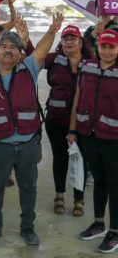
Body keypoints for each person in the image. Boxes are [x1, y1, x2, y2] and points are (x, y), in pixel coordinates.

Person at [0, 14, 64, 246]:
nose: (8, 50)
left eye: (13, 47)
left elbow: (41, 50)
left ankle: (27, 228)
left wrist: (52, 31)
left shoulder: (29, 68)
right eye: (4, 46)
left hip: (27, 143)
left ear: (21, 52)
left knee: (28, 188)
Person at [68, 29, 118, 253]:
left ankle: (115, 232)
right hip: (89, 134)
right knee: (99, 181)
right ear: (98, 47)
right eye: (104, 46)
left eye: (111, 47)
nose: (106, 51)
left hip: (113, 138)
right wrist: (72, 129)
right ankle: (99, 223)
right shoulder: (87, 67)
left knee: (115, 185)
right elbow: (78, 97)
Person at [44, 25, 91, 217]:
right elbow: (32, 56)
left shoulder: (92, 63)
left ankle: (79, 199)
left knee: (82, 160)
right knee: (60, 158)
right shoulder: (54, 60)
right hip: (56, 119)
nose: (69, 42)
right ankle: (59, 195)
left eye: (73, 38)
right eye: (66, 39)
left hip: (83, 122)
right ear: (61, 43)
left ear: (81, 42)